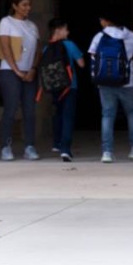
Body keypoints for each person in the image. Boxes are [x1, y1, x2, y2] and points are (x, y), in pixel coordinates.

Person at [88, 14, 133, 163]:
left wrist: (96, 79)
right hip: (127, 82)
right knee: (132, 114)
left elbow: (93, 58)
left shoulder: (99, 36)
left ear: (106, 20)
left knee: (107, 115)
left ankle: (107, 152)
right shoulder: (131, 36)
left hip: (104, 83)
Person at [0, 0, 41, 161]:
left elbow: (37, 50)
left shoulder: (32, 26)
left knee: (29, 111)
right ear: (15, 6)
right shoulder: (6, 22)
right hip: (9, 72)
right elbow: (5, 47)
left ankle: (29, 146)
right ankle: (6, 147)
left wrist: (33, 69)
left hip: (29, 73)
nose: (27, 8)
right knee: (11, 108)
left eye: (29, 5)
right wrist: (16, 70)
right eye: (24, 5)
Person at [44, 18, 85, 162]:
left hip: (54, 88)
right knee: (68, 116)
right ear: (58, 30)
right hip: (69, 86)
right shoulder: (70, 45)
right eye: (66, 29)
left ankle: (56, 143)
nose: (68, 32)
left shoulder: (46, 48)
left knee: (58, 114)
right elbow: (81, 64)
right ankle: (65, 149)